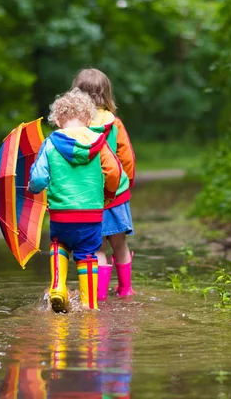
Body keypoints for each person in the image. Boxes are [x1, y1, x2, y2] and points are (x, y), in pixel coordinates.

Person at [28, 88, 121, 312]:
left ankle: (58, 286)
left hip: (61, 214)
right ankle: (89, 303)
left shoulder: (50, 143)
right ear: (89, 118)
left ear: (58, 120)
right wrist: (107, 195)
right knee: (87, 254)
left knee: (59, 244)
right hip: (91, 214)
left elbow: (39, 178)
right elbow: (114, 173)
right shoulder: (99, 142)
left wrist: (34, 187)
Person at [71, 68, 136, 300]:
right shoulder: (114, 123)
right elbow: (127, 157)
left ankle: (98, 296)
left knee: (98, 248)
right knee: (120, 245)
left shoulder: (73, 128)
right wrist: (125, 184)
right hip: (115, 194)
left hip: (89, 198)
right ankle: (125, 289)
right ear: (107, 94)